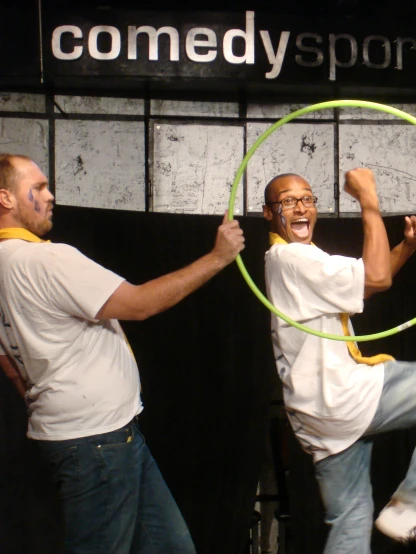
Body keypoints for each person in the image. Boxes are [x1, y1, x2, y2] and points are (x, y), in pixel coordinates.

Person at [0, 153, 245, 553]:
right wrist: (218, 257)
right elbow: (140, 304)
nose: (50, 195)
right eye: (39, 187)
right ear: (6, 199)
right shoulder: (45, 259)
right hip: (96, 442)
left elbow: (9, 364)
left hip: (107, 436)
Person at [262, 168, 416, 554]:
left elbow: (366, 280)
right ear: (269, 213)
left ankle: (410, 509)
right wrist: (368, 199)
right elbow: (378, 277)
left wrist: (407, 247)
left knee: (350, 520)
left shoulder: (298, 259)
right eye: (288, 201)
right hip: (341, 397)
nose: (301, 207)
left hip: (318, 417)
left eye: (307, 198)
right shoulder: (293, 259)